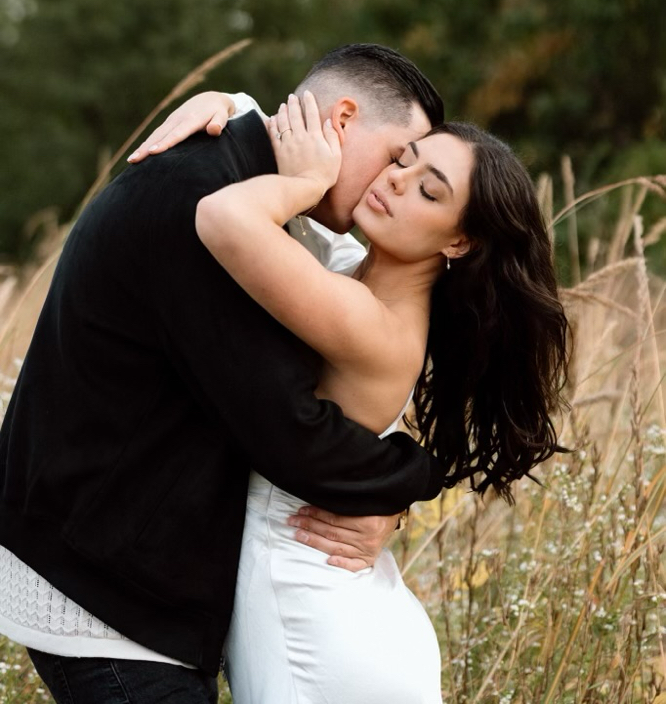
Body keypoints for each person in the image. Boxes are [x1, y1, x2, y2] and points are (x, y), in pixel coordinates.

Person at [0, 45, 449, 704]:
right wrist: (413, 479)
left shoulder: (260, 188)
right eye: (394, 160)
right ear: (343, 119)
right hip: (105, 602)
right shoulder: (201, 202)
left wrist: (239, 106)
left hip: (136, 583)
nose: (390, 188)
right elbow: (291, 432)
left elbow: (346, 274)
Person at [132, 86, 570, 703]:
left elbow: (224, 218)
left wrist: (309, 180)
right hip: (346, 600)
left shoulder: (376, 324)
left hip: (311, 619)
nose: (396, 181)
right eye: (403, 160)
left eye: (429, 189)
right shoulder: (347, 268)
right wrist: (230, 102)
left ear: (459, 242)